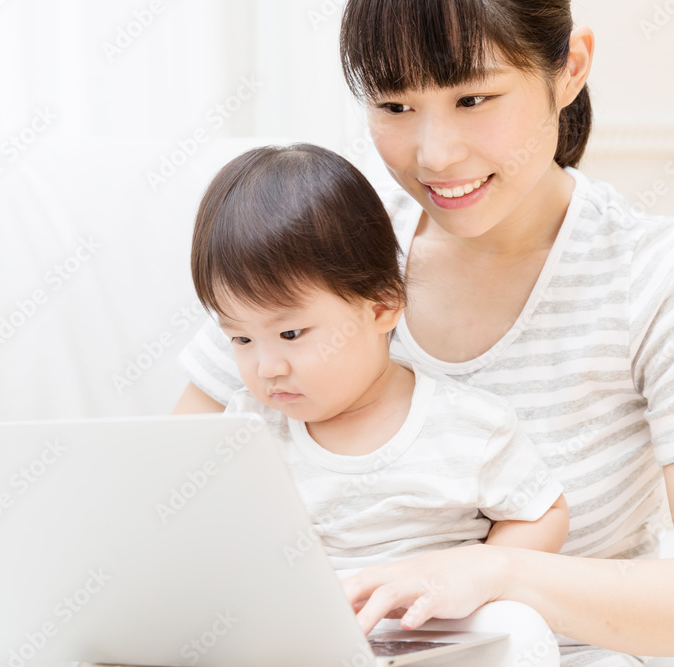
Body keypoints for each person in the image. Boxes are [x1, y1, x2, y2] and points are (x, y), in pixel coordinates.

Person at [173, 1, 674, 666]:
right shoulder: (335, 240)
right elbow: (174, 486)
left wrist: (492, 571)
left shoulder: (658, 280)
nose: (435, 155)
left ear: (569, 68)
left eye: (474, 97)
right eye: (394, 106)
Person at [189, 143, 569, 584]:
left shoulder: (468, 426)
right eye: (241, 338)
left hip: (431, 640)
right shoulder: (246, 431)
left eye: (291, 334)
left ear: (381, 307)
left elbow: (541, 514)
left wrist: (469, 579)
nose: (267, 367)